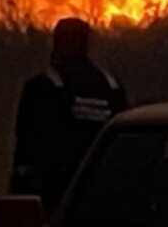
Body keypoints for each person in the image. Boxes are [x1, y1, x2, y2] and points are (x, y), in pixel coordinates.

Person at [10, 16, 129, 212]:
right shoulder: (111, 87)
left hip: (53, 195)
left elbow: (25, 150)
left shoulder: (41, 87)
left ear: (56, 43)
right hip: (103, 194)